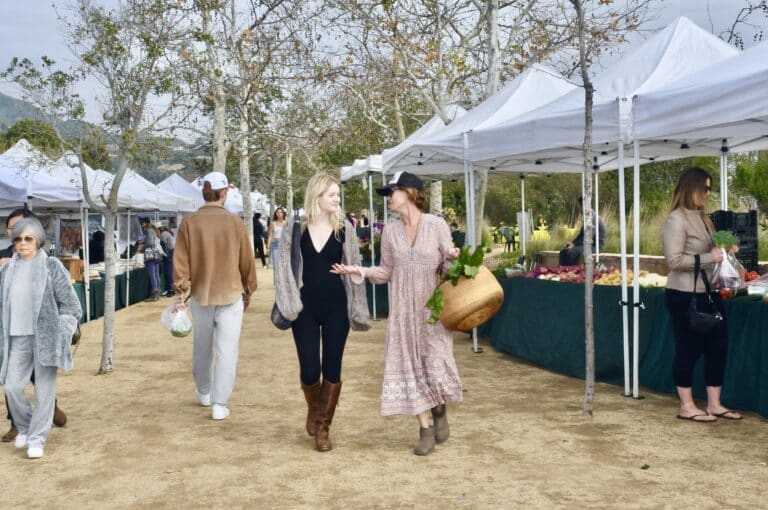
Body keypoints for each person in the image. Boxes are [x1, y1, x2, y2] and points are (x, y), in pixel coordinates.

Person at [332, 171, 462, 456]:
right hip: (402, 313)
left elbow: (450, 269)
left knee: (436, 365)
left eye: (392, 192)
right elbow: (386, 272)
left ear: (410, 193)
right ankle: (425, 428)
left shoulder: (437, 225)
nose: (389, 198)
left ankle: (439, 407)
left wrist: (454, 257)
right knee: (409, 370)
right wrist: (361, 271)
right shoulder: (389, 231)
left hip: (433, 311)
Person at [275, 173, 371, 452]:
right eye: (332, 195)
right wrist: (290, 300)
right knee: (309, 369)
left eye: (337, 195)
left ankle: (323, 427)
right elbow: (283, 270)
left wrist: (353, 274)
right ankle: (314, 408)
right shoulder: (295, 229)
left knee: (332, 366)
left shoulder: (345, 230)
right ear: (316, 196)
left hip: (336, 307)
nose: (337, 199)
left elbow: (355, 265)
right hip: (303, 309)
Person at [173, 171, 257, 421]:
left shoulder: (189, 223)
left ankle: (203, 390)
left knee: (202, 347)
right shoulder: (235, 223)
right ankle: (220, 403)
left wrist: (181, 291)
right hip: (230, 293)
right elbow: (247, 261)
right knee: (227, 351)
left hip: (200, 294)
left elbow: (181, 262)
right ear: (224, 193)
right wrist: (248, 289)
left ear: (204, 192)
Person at [661, 166, 742, 422]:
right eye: (704, 188)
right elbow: (673, 261)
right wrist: (711, 256)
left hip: (708, 292)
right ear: (690, 187)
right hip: (683, 294)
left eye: (710, 188)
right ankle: (686, 406)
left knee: (718, 346)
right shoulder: (676, 219)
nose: (708, 193)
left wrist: (726, 250)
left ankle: (714, 404)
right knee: (688, 348)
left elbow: (711, 250)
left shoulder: (703, 217)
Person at [0, 217, 81, 458]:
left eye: (28, 239)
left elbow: (71, 305)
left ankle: (37, 439)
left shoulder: (51, 266)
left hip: (46, 337)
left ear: (38, 241)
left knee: (45, 391)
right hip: (16, 337)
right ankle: (24, 426)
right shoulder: (6, 270)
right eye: (18, 239)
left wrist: (63, 330)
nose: (22, 243)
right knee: (12, 386)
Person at [559, 198, 606, 266]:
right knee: (563, 251)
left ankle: (571, 271)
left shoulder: (592, 218)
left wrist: (575, 245)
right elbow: (581, 235)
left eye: (579, 206)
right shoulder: (587, 217)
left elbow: (589, 237)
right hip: (587, 245)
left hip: (595, 246)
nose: (579, 209)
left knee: (572, 252)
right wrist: (573, 243)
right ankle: (562, 270)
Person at [140, 218, 164, 302]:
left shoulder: (149, 231)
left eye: (142, 223)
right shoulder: (153, 230)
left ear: (145, 224)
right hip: (156, 255)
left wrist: (142, 248)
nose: (141, 225)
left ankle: (154, 293)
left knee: (152, 274)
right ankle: (158, 291)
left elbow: (150, 243)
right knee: (156, 274)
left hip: (151, 255)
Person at [267, 207, 287, 274]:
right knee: (276, 265)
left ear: (283, 213)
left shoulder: (286, 223)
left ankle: (283, 283)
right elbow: (270, 235)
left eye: (280, 212)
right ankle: (277, 283)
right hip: (275, 245)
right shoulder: (273, 223)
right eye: (277, 212)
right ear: (275, 214)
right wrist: (268, 246)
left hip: (284, 246)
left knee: (284, 265)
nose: (279, 213)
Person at [159, 223, 175, 297]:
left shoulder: (163, 234)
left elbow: (163, 245)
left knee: (168, 273)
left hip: (169, 255)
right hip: (172, 253)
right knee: (170, 272)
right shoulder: (168, 233)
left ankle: (170, 290)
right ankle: (170, 290)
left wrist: (163, 254)